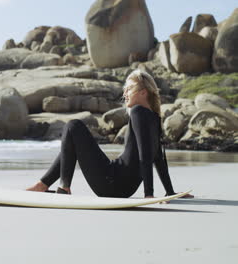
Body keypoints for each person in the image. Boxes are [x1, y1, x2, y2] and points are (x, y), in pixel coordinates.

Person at [26, 69, 194, 199]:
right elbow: (157, 158)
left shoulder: (137, 112)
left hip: (112, 181)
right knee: (74, 139)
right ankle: (46, 185)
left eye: (129, 89)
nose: (124, 94)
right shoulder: (155, 118)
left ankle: (61, 187)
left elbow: (146, 156)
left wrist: (148, 195)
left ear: (143, 92)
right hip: (123, 188)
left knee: (73, 126)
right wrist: (169, 192)